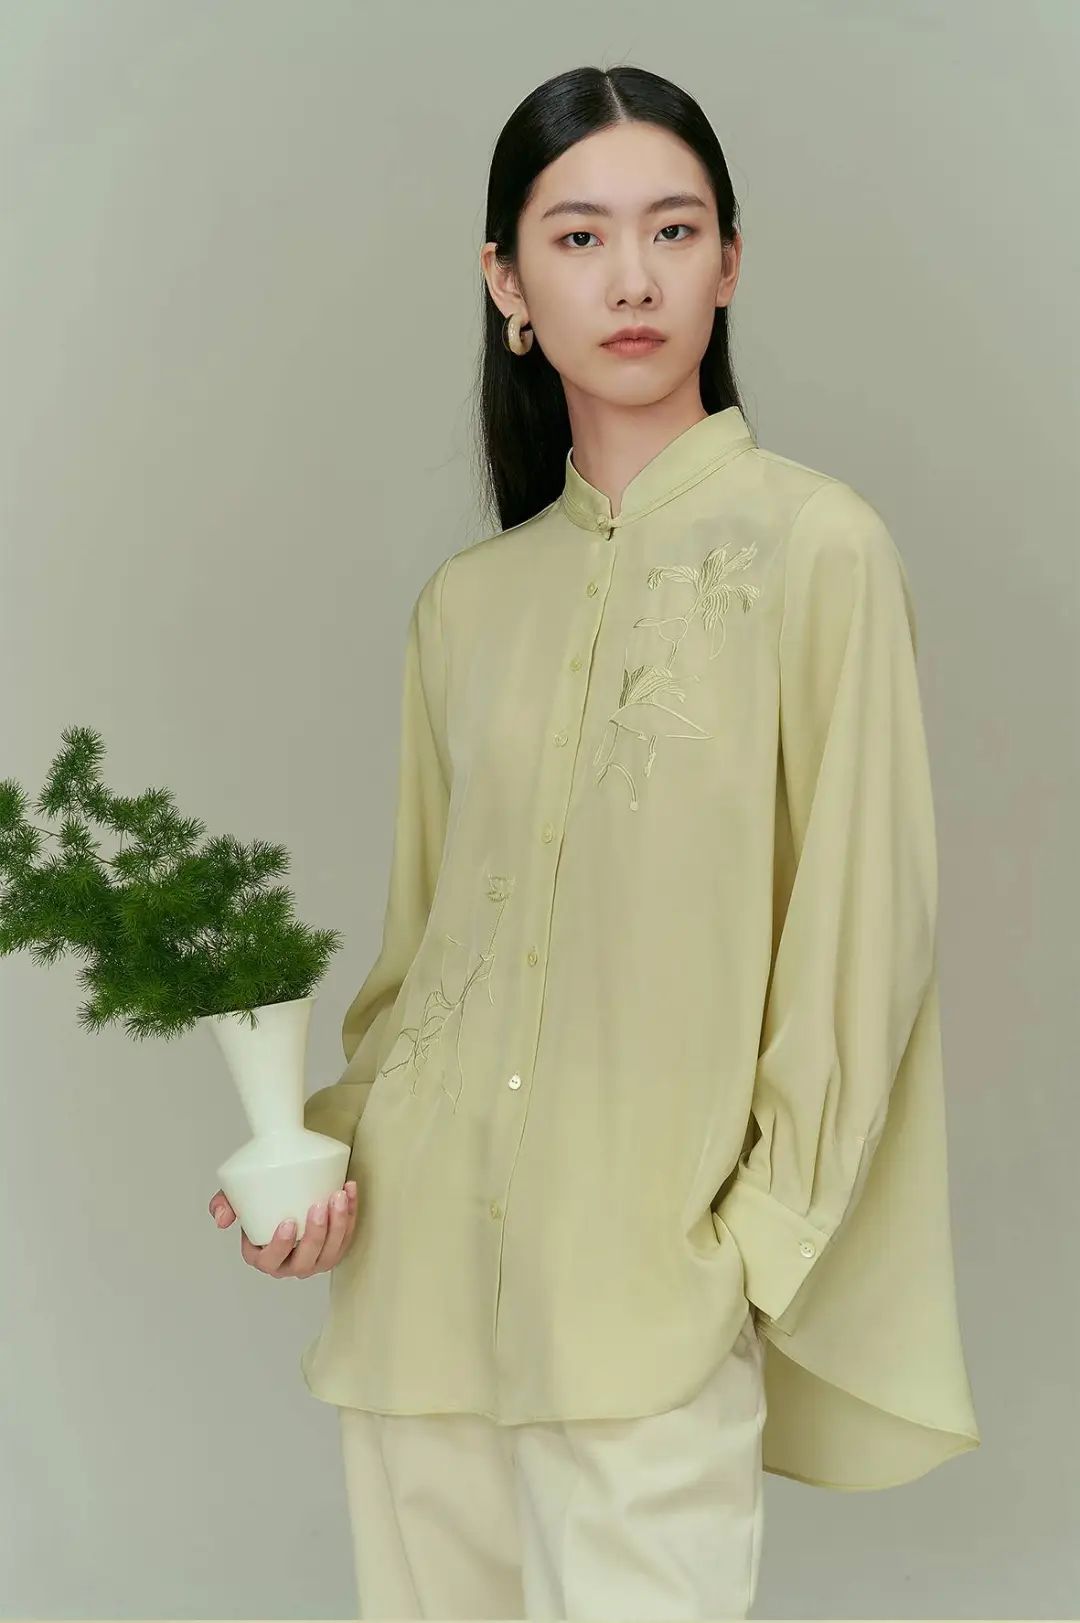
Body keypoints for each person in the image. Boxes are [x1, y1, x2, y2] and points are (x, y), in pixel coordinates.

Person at [210, 62, 980, 1623]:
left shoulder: (818, 550)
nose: (631, 279)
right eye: (578, 238)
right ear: (508, 282)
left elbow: (862, 940)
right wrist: (319, 1162)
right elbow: (422, 967)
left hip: (649, 1304)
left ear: (729, 261)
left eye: (672, 230)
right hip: (417, 1303)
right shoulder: (465, 608)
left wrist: (745, 1256)